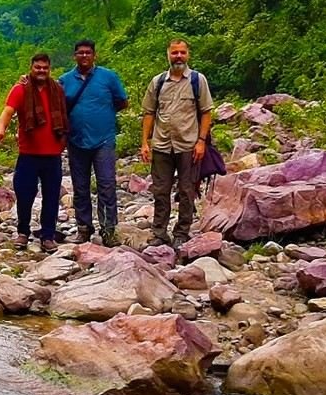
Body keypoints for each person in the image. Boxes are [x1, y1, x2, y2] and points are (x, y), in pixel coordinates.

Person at [140, 39, 213, 249]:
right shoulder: (158, 82)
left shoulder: (198, 81)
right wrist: (145, 142)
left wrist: (201, 141)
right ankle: (159, 232)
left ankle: (182, 232)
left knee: (187, 190)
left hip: (188, 145)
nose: (178, 56)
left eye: (182, 52)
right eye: (174, 53)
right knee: (160, 190)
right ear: (168, 55)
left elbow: (206, 112)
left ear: (188, 54)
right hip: (162, 145)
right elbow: (149, 113)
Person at [0, 53, 68, 254]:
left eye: (45, 67)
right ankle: (23, 232)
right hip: (29, 153)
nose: (41, 71)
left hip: (52, 154)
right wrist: (1, 128)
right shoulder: (21, 89)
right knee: (25, 194)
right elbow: (8, 111)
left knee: (51, 197)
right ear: (31, 67)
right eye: (37, 67)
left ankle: (48, 236)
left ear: (50, 68)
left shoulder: (57, 90)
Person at [58, 39, 128, 247]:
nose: (84, 56)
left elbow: (122, 101)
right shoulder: (64, 81)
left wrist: (103, 114)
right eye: (80, 53)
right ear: (74, 56)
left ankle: (108, 229)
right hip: (76, 140)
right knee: (80, 187)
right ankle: (84, 228)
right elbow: (57, 107)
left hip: (104, 140)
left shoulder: (108, 77)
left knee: (107, 184)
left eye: (88, 52)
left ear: (94, 55)